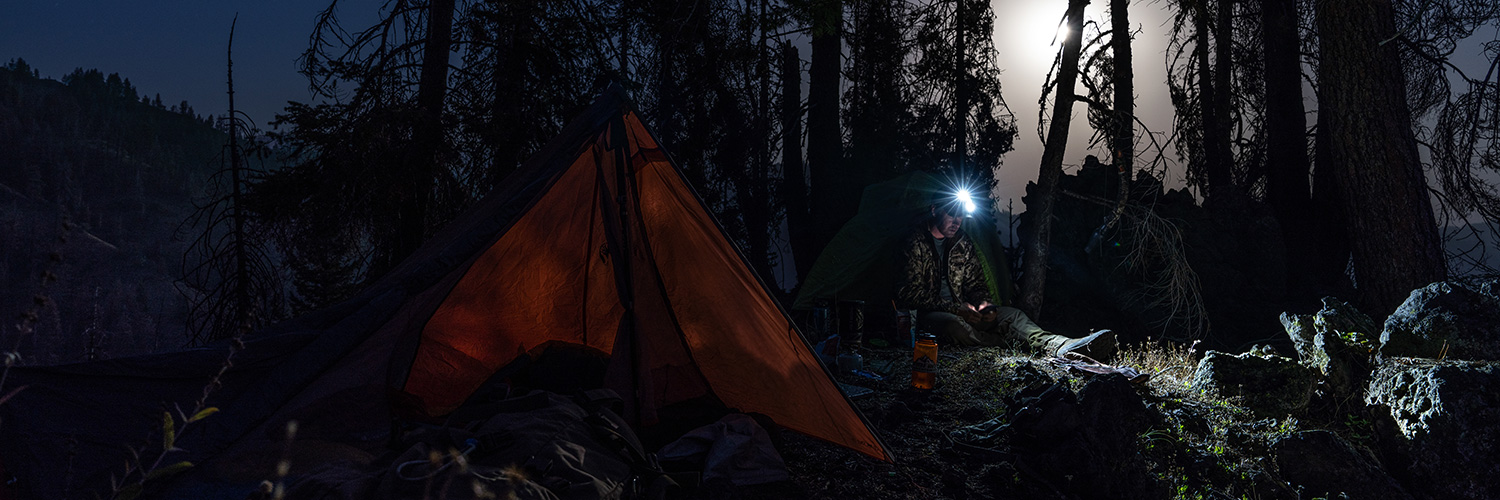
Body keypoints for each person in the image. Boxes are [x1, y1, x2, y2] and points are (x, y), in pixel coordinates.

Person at [894, 200, 1117, 360]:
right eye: (951, 215)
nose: (956, 221)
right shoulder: (916, 242)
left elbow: (976, 284)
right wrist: (955, 308)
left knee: (1014, 315)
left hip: (966, 311)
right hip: (933, 315)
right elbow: (908, 294)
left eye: (960, 216)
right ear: (935, 210)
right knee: (955, 328)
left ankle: (1062, 346)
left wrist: (984, 304)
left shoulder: (962, 242)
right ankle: (1002, 342)